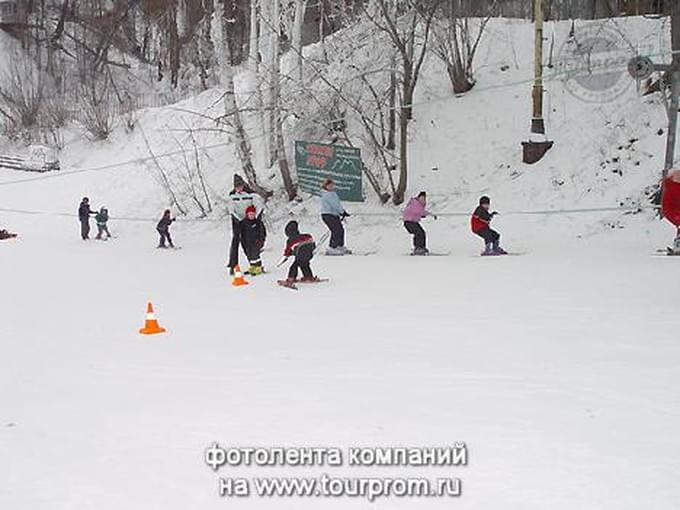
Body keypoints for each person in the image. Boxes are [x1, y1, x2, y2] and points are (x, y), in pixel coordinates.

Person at [228, 174, 261, 275]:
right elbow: (231, 209)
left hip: (250, 220)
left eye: (240, 186)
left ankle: (255, 264)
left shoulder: (251, 194)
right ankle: (233, 265)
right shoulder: (232, 195)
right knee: (235, 242)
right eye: (236, 187)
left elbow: (258, 206)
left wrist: (255, 218)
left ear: (243, 185)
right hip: (237, 221)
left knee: (250, 243)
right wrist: (238, 219)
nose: (239, 188)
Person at [279, 220, 318, 287]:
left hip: (300, 255)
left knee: (294, 266)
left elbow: (288, 251)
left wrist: (286, 256)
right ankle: (308, 276)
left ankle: (291, 278)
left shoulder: (290, 240)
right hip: (309, 254)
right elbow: (312, 243)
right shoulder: (306, 236)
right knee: (305, 265)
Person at [320, 178, 351, 255]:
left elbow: (337, 204)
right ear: (325, 186)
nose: (331, 187)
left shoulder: (333, 193)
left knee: (341, 230)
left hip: (334, 214)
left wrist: (342, 212)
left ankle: (339, 246)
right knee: (336, 230)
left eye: (332, 185)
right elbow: (335, 205)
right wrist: (342, 212)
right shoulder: (327, 194)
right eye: (329, 185)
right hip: (328, 215)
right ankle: (332, 247)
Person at [242, 205, 267, 275]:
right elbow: (242, 233)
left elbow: (263, 232)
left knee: (255, 255)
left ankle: (258, 267)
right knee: (249, 255)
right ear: (247, 214)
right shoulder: (244, 223)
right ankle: (252, 267)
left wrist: (261, 240)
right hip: (247, 243)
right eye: (250, 214)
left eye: (253, 214)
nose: (251, 216)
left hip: (256, 242)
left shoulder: (258, 222)